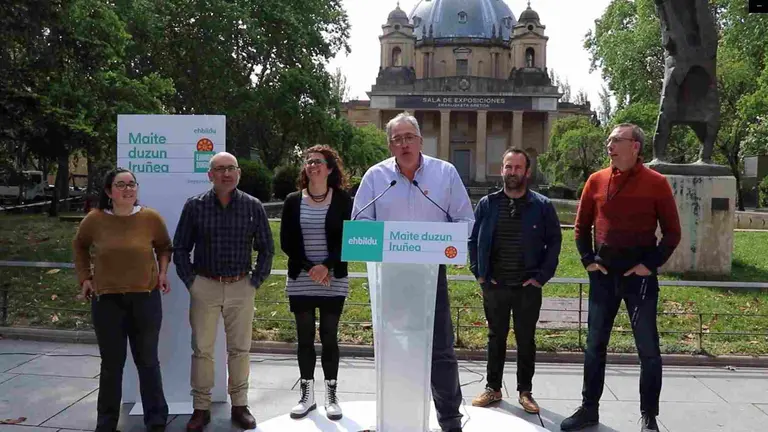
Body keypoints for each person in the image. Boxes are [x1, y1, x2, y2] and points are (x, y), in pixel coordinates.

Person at [352, 112, 474, 432]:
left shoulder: (445, 173)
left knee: (440, 349)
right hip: (389, 278)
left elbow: (465, 220)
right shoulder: (376, 177)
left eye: (409, 137)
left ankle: (450, 419)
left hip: (430, 277)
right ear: (390, 145)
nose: (404, 144)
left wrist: (449, 245)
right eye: (397, 139)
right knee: (393, 346)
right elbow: (360, 224)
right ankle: (396, 417)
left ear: (420, 141)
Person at [560, 124, 681, 432]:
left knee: (648, 350)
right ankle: (589, 409)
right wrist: (588, 260)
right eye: (609, 140)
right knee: (594, 347)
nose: (609, 145)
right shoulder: (596, 180)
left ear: (635, 146)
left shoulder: (656, 183)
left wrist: (649, 265)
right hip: (603, 278)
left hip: (639, 281)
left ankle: (649, 416)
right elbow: (580, 226)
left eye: (616, 140)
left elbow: (672, 233)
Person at [173, 152, 274, 431]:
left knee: (240, 350)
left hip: (241, 286)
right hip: (205, 286)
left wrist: (255, 282)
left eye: (231, 168)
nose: (226, 174)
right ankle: (201, 408)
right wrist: (191, 282)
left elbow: (267, 248)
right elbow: (180, 248)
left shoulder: (253, 206)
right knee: (202, 350)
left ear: (238, 173)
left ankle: (240, 405)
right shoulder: (195, 206)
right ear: (210, 175)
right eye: (219, 169)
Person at [73, 168, 171, 432]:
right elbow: (79, 246)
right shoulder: (94, 220)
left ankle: (156, 420)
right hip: (107, 301)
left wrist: (162, 273)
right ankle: (106, 423)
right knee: (111, 365)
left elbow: (164, 246)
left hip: (145, 299)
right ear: (109, 191)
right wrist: (85, 278)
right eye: (121, 185)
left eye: (132, 184)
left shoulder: (150, 218)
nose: (128, 189)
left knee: (148, 361)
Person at [468, 148, 562, 414]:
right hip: (495, 285)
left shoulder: (542, 206)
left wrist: (541, 277)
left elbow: (555, 243)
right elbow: (473, 240)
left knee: (526, 339)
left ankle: (525, 391)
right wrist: (479, 273)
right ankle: (493, 388)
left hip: (527, 286)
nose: (512, 172)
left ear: (527, 172)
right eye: (508, 167)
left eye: (518, 167)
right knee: (495, 337)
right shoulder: (487, 204)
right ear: (502, 170)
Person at [280, 145, 353, 421]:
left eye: (318, 161)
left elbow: (349, 238)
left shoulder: (343, 200)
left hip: (333, 279)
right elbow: (286, 242)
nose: (313, 165)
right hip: (302, 278)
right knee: (305, 337)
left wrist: (326, 266)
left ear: (330, 168)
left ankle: (331, 396)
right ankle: (307, 396)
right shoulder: (292, 201)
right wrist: (311, 268)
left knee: (330, 336)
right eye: (309, 161)